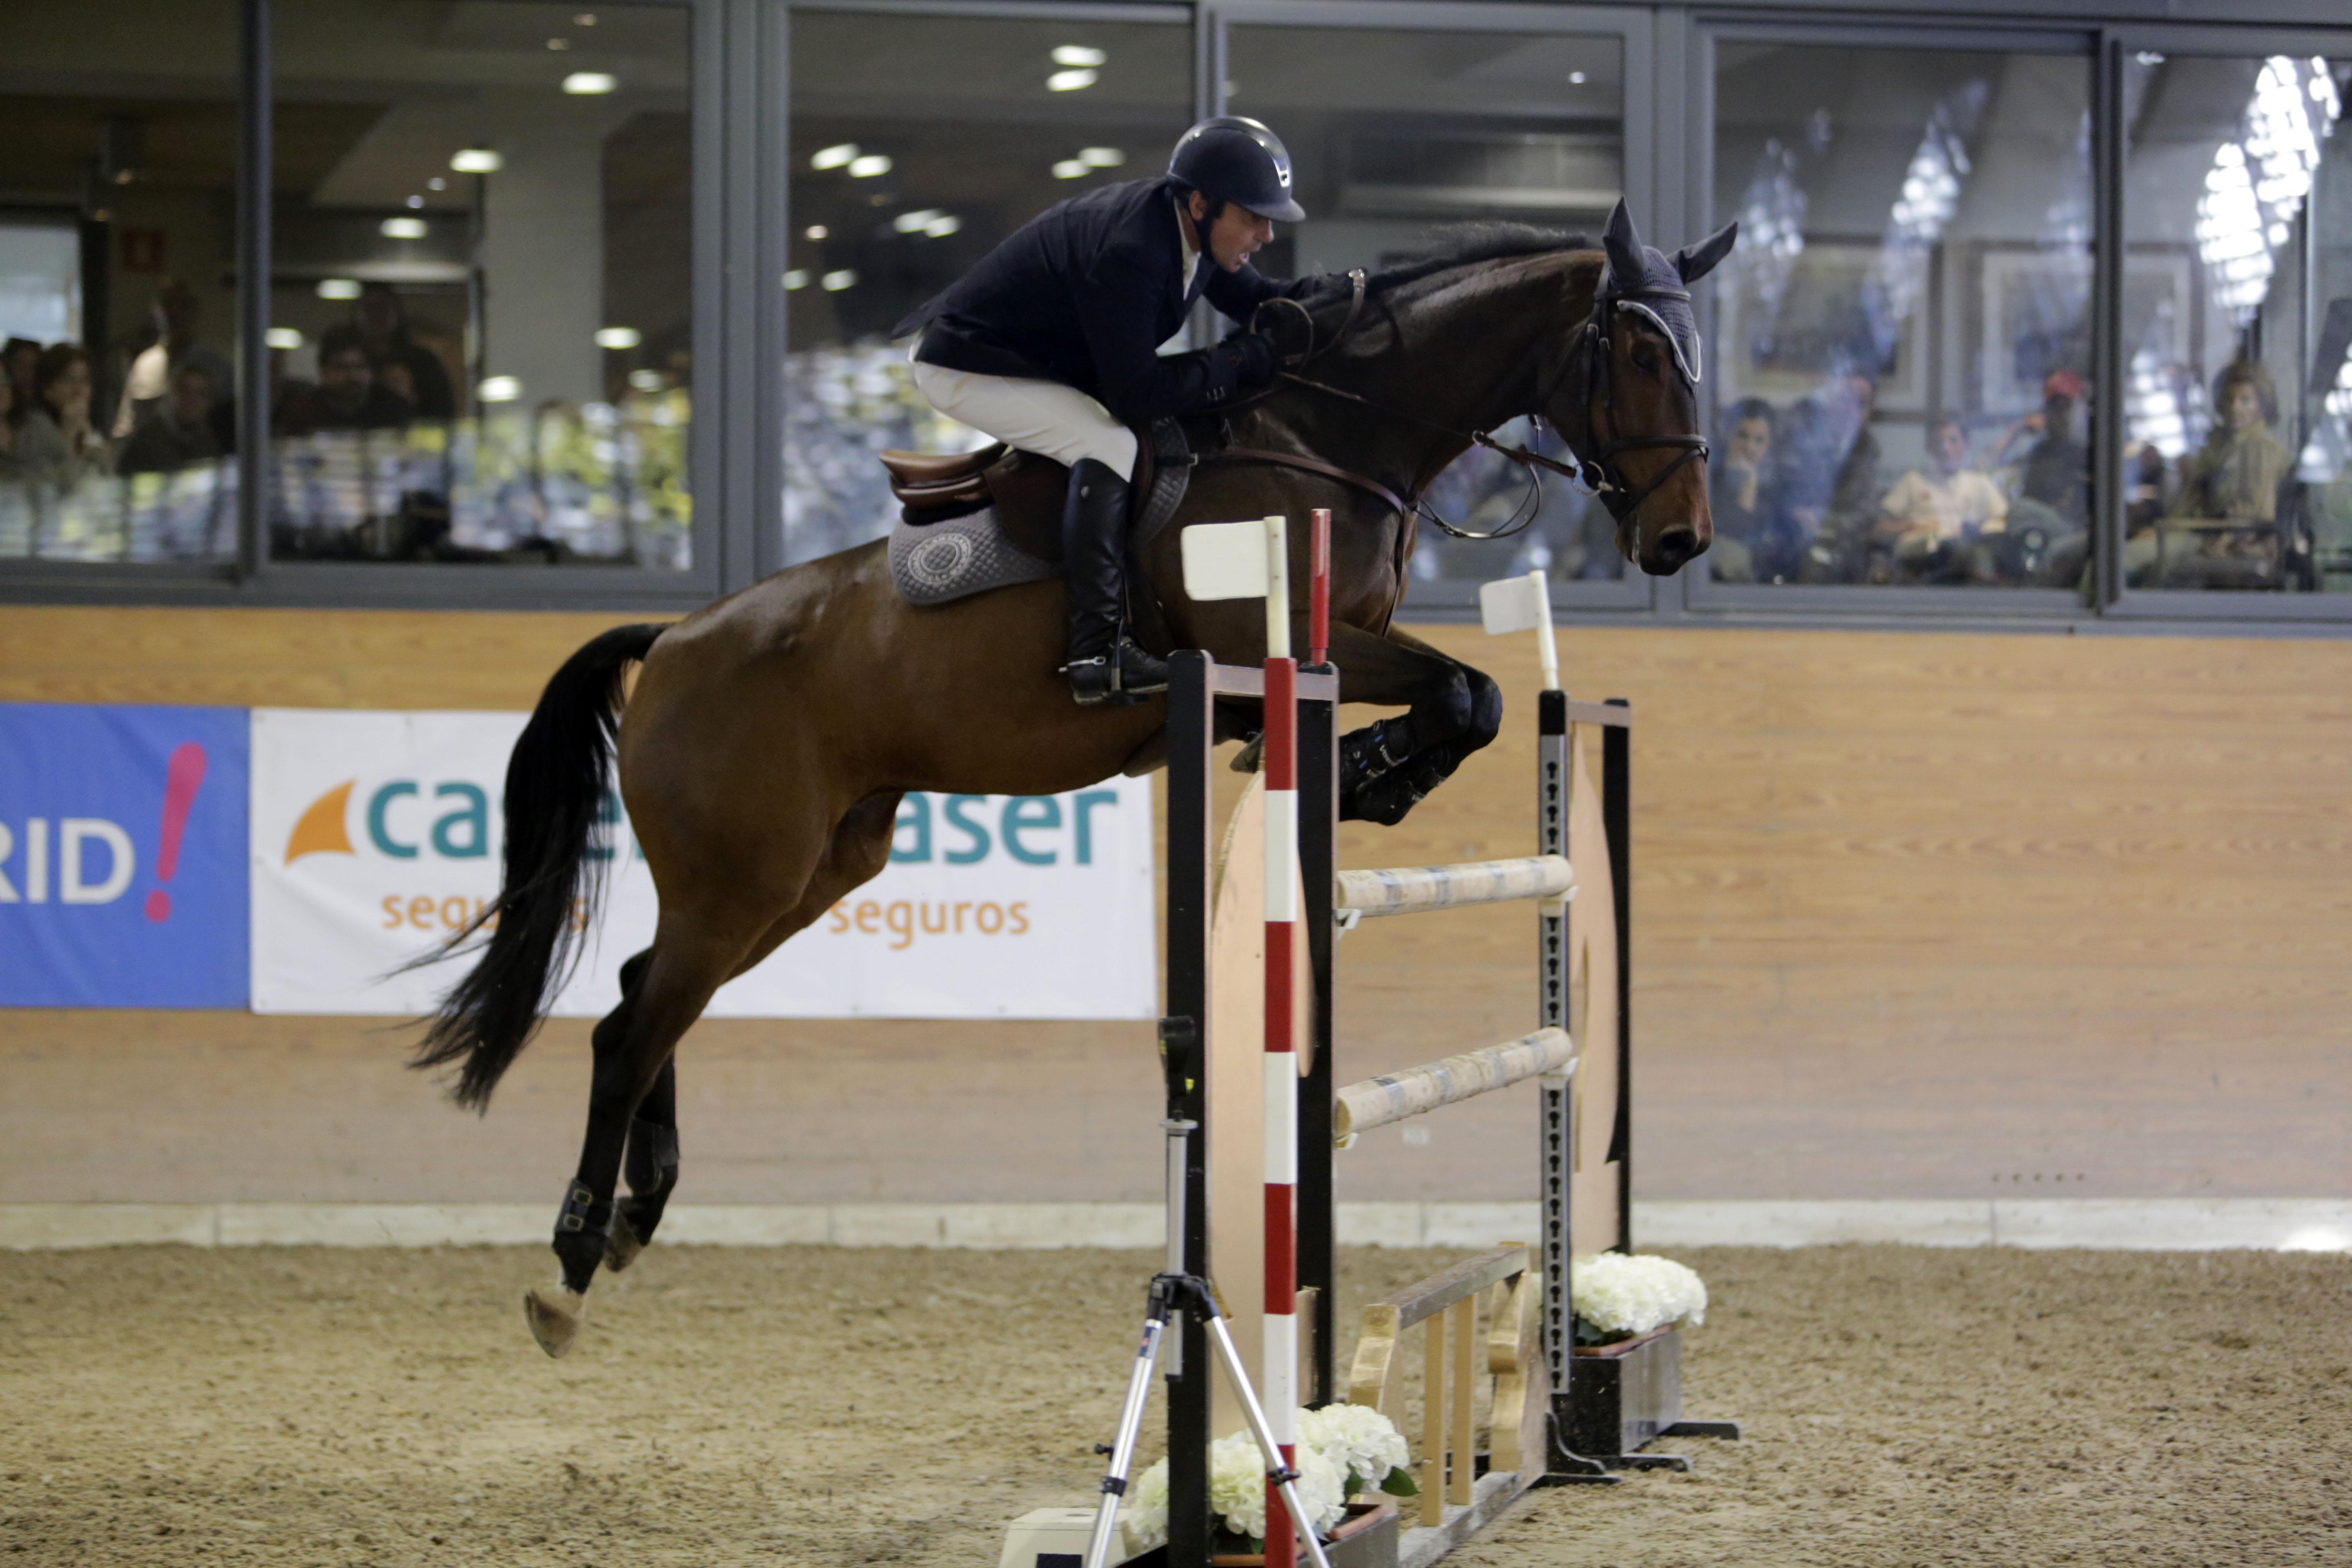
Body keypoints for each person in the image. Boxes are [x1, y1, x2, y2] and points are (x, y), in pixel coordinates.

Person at [895, 116, 1319, 706]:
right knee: (1108, 444)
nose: (1266, 235)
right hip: (968, 367)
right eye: (1253, 216)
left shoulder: (1190, 232)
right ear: (1201, 203)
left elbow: (1258, 299)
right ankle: (1097, 653)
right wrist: (1237, 362)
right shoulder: (1133, 252)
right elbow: (1137, 395)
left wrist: (1351, 296)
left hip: (1033, 361)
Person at [1877, 414, 2005, 581]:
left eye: (1953, 441)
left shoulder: (1980, 483)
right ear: (1929, 447)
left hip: (1969, 562)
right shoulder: (1913, 481)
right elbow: (1880, 528)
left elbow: (2003, 522)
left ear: (1967, 444)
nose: (1945, 448)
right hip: (1921, 562)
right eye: (1939, 442)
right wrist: (1911, 526)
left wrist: (1978, 530)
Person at [274, 324, 414, 434]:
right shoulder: (301, 412)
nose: (353, 376)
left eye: (360, 367)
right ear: (324, 371)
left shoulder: (393, 409)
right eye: (341, 367)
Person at [16, 343, 115, 490]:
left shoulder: (88, 427)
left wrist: (90, 436)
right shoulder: (33, 427)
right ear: (48, 388)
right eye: (69, 379)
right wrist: (68, 432)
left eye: (85, 380)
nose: (79, 389)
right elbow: (49, 485)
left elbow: (109, 476)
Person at [354, 283, 457, 420]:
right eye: (369, 308)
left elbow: (442, 412)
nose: (376, 315)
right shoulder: (347, 361)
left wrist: (407, 396)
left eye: (383, 308)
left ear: (397, 313)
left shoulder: (423, 362)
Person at [1707, 397, 1779, 582]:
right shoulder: (1709, 480)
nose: (1750, 447)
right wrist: (1748, 483)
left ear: (1770, 444)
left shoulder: (1777, 487)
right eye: (1742, 436)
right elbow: (1734, 531)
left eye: (1759, 440)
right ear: (1729, 434)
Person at [119, 363, 226, 475]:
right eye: (185, 391)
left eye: (201, 394)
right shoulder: (150, 440)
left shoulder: (207, 442)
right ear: (172, 395)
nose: (192, 401)